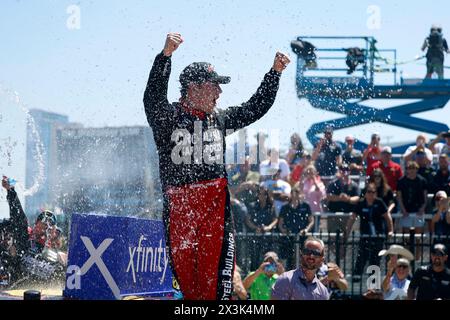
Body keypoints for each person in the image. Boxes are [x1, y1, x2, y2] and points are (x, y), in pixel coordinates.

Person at [143, 32, 290, 300]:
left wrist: (274, 73)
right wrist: (165, 56)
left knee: (215, 292)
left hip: (216, 217)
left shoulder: (219, 119)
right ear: (195, 88)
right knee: (187, 290)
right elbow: (152, 97)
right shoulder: (167, 119)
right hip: (180, 214)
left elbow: (255, 107)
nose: (220, 92)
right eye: (215, 86)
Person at [345, 182, 394, 277]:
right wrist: (347, 231)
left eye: (373, 192)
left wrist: (390, 230)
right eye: (369, 192)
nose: (371, 194)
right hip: (365, 236)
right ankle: (357, 279)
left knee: (375, 260)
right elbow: (352, 218)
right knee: (361, 258)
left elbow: (387, 216)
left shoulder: (379, 203)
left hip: (378, 236)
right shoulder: (361, 203)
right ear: (365, 193)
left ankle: (373, 282)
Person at [278, 184, 314, 269]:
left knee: (303, 258)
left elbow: (311, 221)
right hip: (289, 238)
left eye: (297, 193)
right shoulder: (285, 207)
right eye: (293, 193)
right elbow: (280, 223)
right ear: (290, 194)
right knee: (289, 260)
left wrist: (306, 230)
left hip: (302, 237)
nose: (295, 195)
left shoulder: (305, 206)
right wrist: (284, 231)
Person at [245, 186, 278, 271]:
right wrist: (255, 228)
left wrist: (269, 227)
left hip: (268, 238)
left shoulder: (271, 207)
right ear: (258, 195)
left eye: (264, 194)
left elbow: (275, 220)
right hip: (255, 236)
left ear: (267, 196)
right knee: (254, 258)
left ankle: (269, 277)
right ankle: (254, 277)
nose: (262, 196)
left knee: (269, 257)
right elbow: (247, 220)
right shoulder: (253, 206)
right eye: (260, 194)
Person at [325, 164, 360, 232]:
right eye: (342, 170)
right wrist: (340, 198)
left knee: (347, 238)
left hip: (349, 216)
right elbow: (328, 196)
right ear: (339, 171)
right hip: (334, 215)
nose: (344, 172)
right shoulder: (333, 184)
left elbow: (357, 198)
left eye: (346, 170)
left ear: (349, 171)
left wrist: (348, 199)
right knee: (332, 237)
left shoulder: (354, 185)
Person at [397, 161, 428, 234]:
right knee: (406, 235)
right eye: (409, 168)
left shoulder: (422, 181)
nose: (411, 170)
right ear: (407, 169)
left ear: (417, 169)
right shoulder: (401, 181)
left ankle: (418, 246)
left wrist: (422, 209)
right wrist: (403, 210)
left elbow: (425, 197)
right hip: (406, 211)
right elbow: (399, 197)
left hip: (418, 210)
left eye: (414, 168)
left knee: (418, 234)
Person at [301, 165, 326, 231]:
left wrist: (314, 181)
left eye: (311, 172)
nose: (309, 174)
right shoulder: (304, 182)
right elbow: (300, 193)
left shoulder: (319, 183)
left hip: (315, 212)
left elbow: (322, 195)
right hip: (305, 211)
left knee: (314, 231)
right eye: (308, 172)